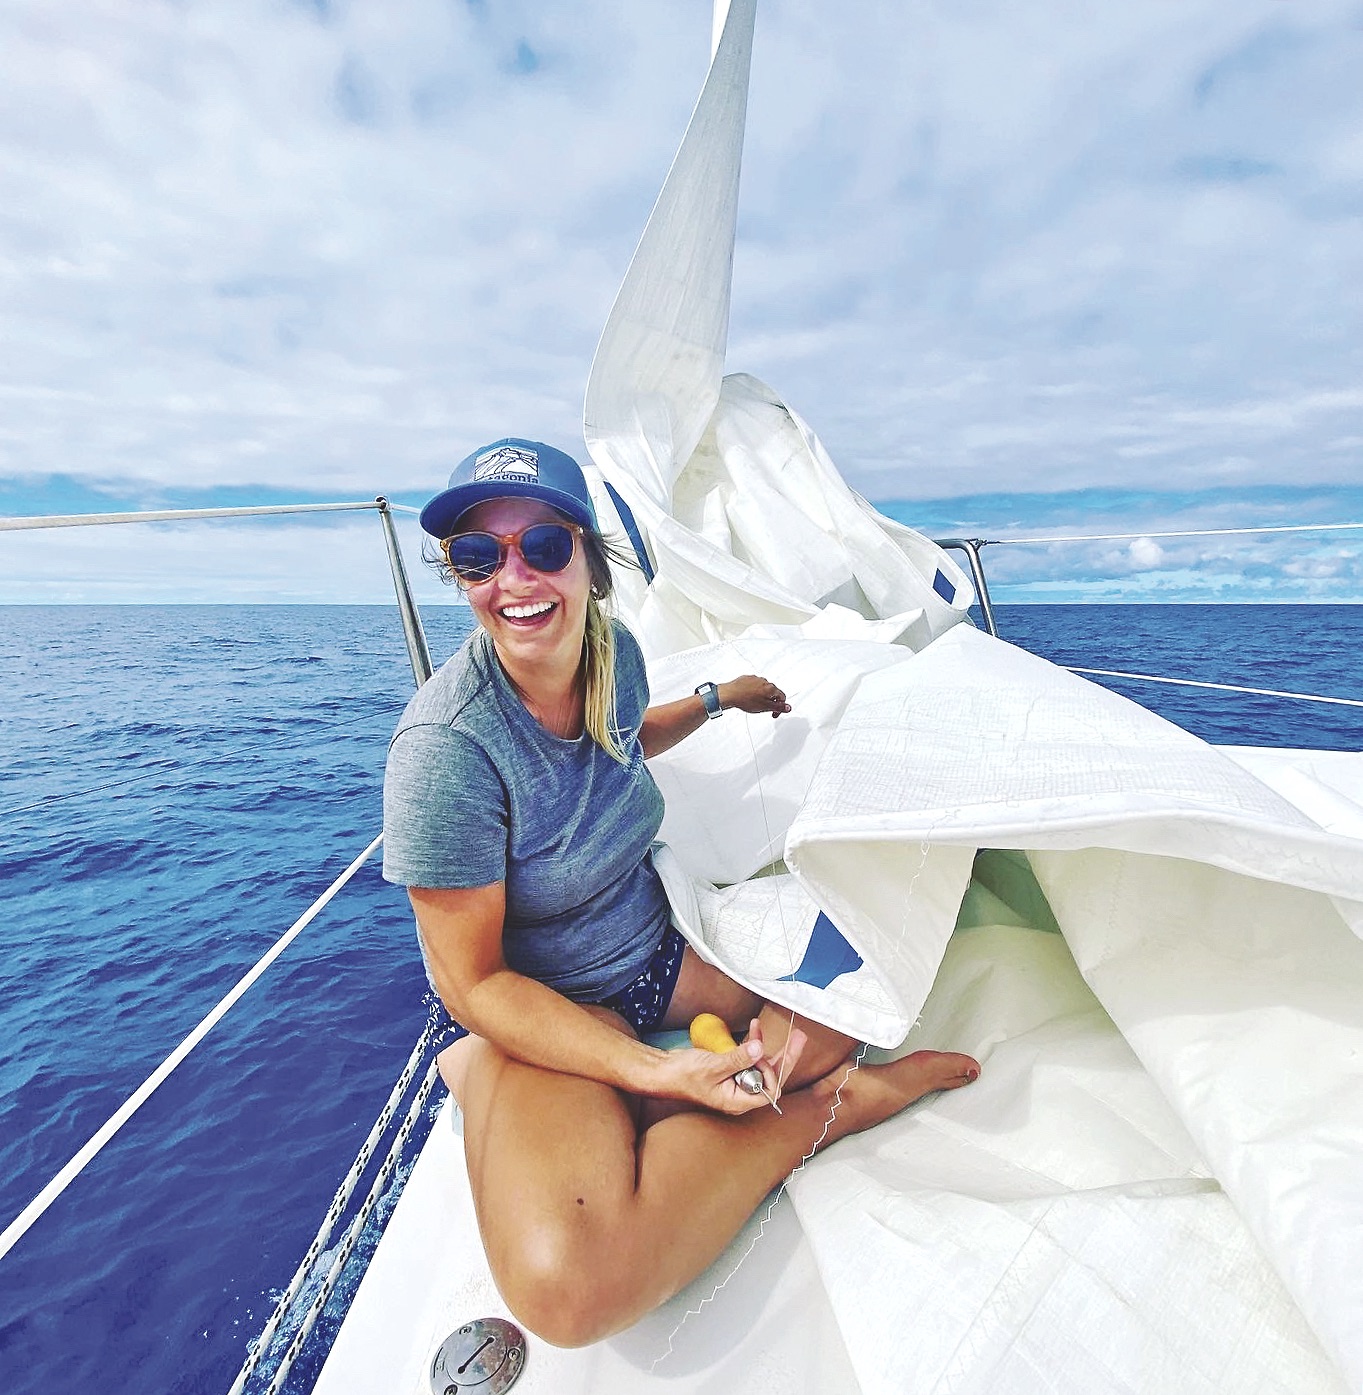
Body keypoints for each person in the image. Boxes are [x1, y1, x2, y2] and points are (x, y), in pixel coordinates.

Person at [382, 438, 980, 1347]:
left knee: (854, 1005)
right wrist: (654, 1068)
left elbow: (620, 735)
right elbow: (471, 984)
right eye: (478, 555)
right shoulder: (446, 753)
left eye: (541, 545)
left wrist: (718, 698)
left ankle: (641, 1118)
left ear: (587, 557)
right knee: (570, 1292)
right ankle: (829, 1111)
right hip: (547, 1008)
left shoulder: (611, 652)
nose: (513, 579)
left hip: (656, 949)